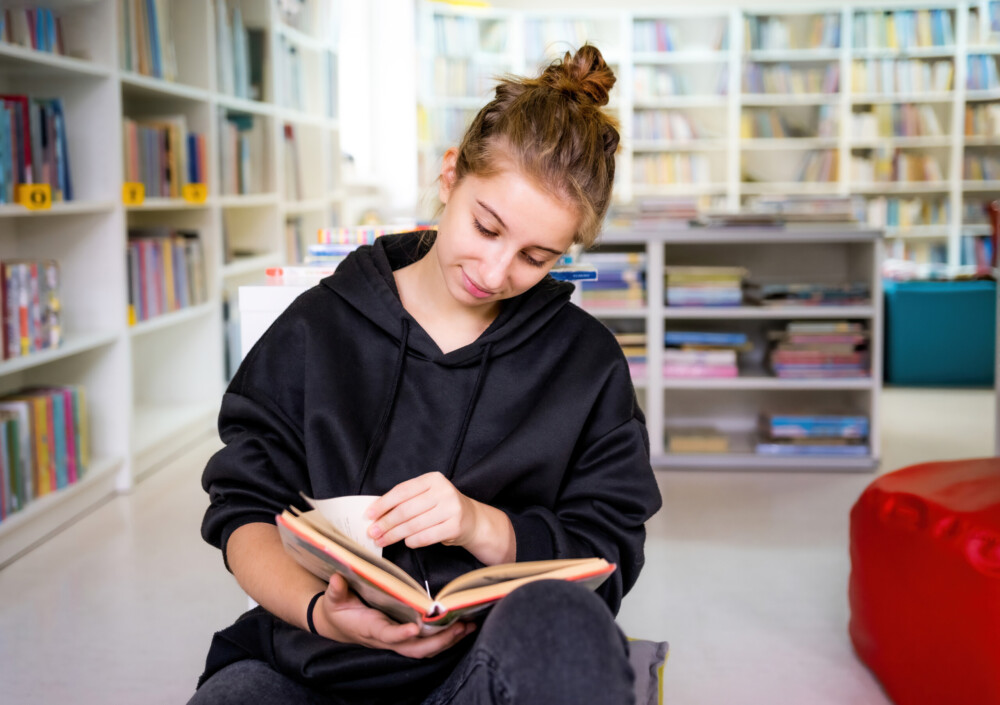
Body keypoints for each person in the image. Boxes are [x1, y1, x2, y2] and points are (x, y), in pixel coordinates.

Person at [190, 44, 661, 705]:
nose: (495, 273)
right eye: (485, 226)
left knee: (570, 628)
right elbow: (243, 510)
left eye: (536, 256)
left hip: (483, 674)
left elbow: (606, 554)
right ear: (449, 177)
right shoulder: (317, 325)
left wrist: (481, 525)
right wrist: (322, 614)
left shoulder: (585, 362)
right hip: (313, 667)